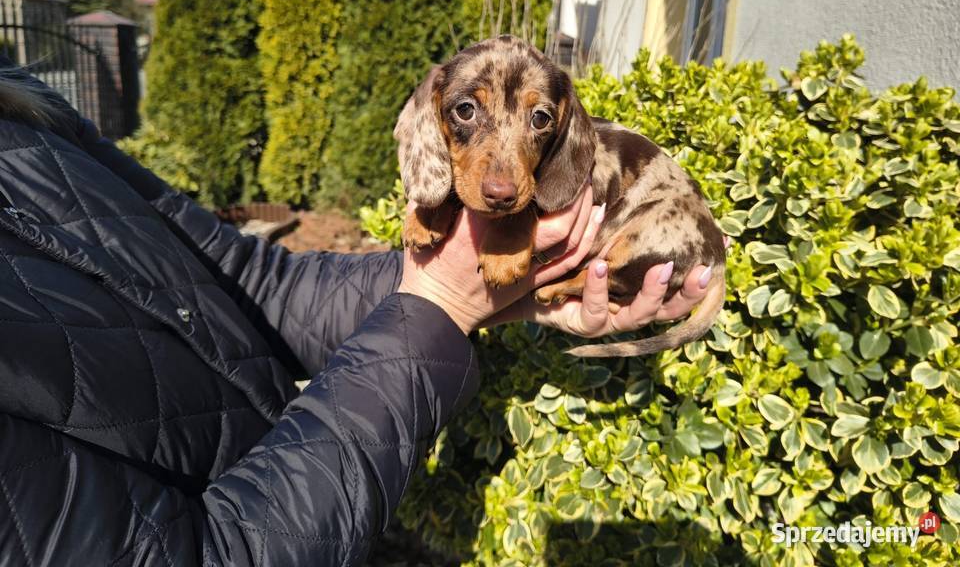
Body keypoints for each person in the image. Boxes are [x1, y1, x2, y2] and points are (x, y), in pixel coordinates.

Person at [0, 60, 712, 566]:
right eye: (466, 112)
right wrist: (438, 306)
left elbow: (251, 280)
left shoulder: (23, 113)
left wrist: (516, 297)